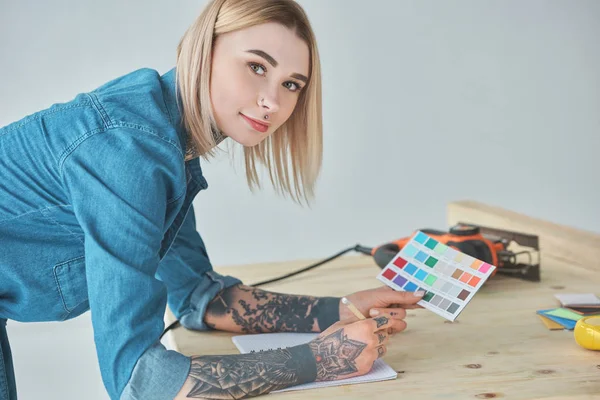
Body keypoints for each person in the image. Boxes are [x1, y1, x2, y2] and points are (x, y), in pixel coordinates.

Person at [0, 0, 424, 399]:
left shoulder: (166, 141)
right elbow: (137, 379)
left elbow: (199, 298)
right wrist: (319, 360)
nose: (272, 102)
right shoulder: (129, 153)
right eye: (257, 66)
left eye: (291, 84)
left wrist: (339, 309)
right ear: (204, 50)